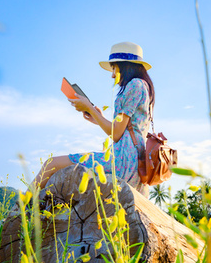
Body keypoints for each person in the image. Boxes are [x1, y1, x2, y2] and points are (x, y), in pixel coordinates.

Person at [32, 41, 154, 197]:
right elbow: (122, 131)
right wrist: (98, 119)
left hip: (123, 161)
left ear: (125, 66)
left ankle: (17, 211)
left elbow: (116, 134)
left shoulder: (135, 85)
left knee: (52, 163)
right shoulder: (144, 86)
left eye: (114, 69)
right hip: (134, 163)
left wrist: (89, 107)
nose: (112, 75)